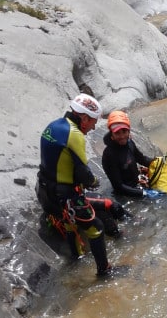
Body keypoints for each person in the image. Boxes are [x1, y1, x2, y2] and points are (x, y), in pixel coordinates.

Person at [37, 92, 114, 278]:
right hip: (65, 196)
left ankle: (77, 257)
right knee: (96, 228)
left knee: (70, 225)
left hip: (45, 191)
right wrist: (94, 182)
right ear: (84, 118)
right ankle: (104, 271)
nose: (94, 126)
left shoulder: (53, 126)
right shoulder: (75, 134)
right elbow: (83, 173)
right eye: (94, 121)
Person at [101, 110, 155, 199]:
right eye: (117, 133)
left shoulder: (129, 143)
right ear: (112, 135)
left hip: (137, 184)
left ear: (128, 131)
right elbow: (118, 187)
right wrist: (143, 193)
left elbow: (142, 159)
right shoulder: (109, 155)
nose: (122, 136)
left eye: (124, 131)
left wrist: (158, 162)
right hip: (126, 194)